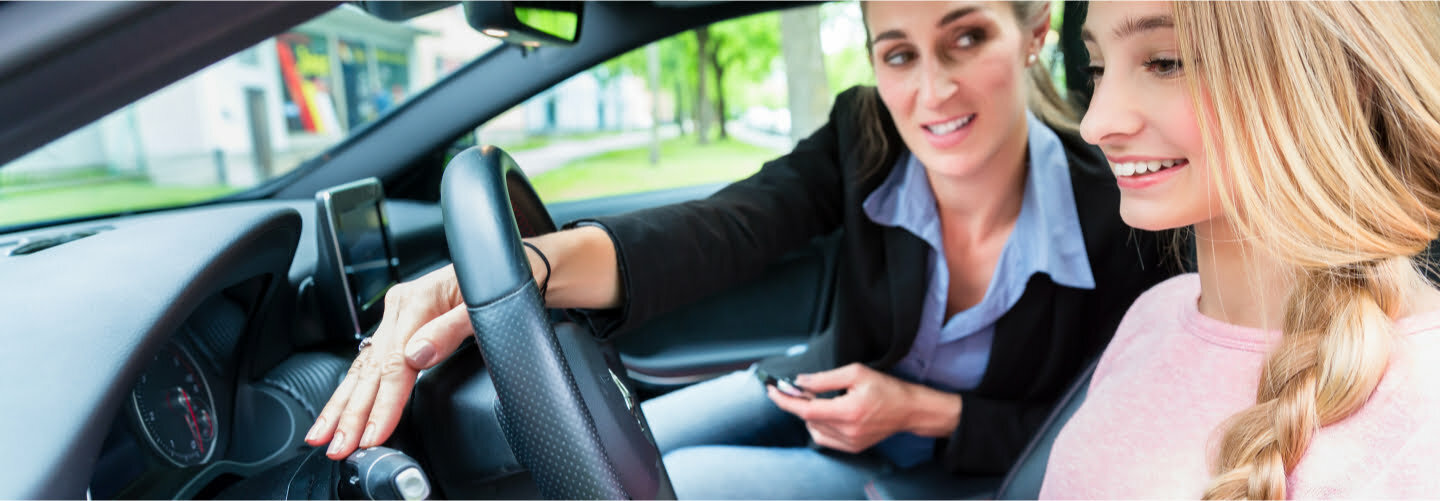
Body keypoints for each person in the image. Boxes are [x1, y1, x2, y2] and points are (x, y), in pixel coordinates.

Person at [306, 2, 1176, 498]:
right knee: (618, 454)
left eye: (968, 38)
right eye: (899, 54)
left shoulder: (1121, 217)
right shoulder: (862, 132)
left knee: (679, 483)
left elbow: (1087, 433)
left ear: (1030, 34)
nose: (932, 89)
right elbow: (726, 227)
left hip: (952, 470)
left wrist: (918, 412)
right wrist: (509, 277)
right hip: (805, 388)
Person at [1041, 1, 1440, 498]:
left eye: (1166, 63)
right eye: (1097, 67)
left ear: (1335, 73)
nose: (1095, 124)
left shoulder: (1425, 411)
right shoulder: (1155, 316)